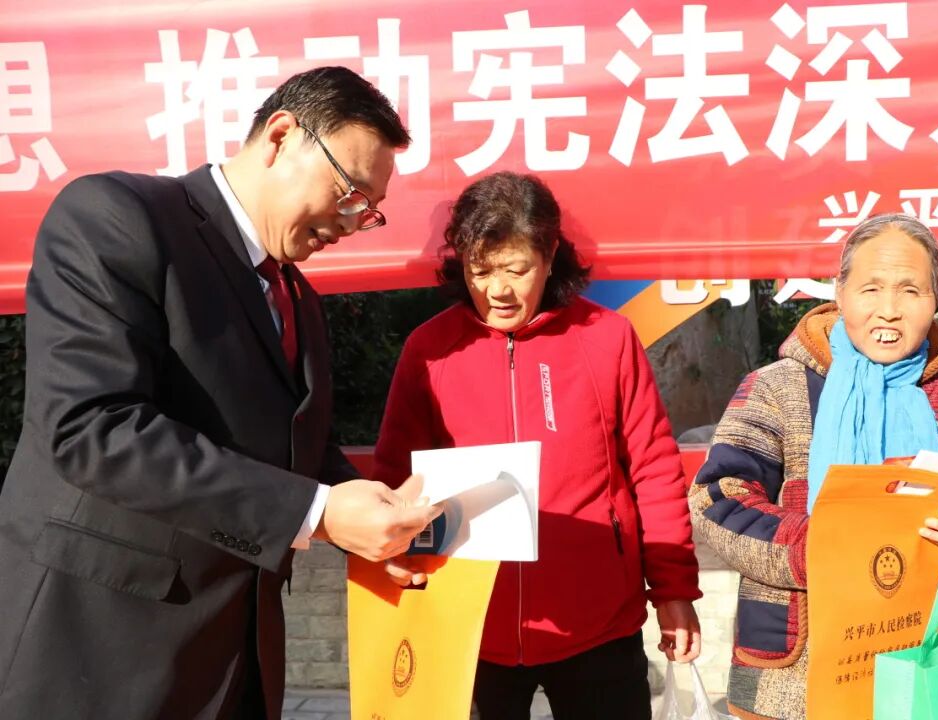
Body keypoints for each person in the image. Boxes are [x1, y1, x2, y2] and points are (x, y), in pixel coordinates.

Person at [0, 66, 441, 720]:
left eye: (368, 210)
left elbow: (299, 452)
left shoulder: (298, 300)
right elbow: (92, 428)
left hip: (233, 661)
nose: (352, 221)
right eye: (349, 191)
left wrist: (369, 516)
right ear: (282, 137)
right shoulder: (118, 217)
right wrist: (319, 512)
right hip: (99, 651)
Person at [689, 213, 938, 719]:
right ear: (840, 292)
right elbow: (719, 497)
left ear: (936, 299)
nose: (889, 310)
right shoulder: (777, 389)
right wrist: (819, 548)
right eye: (870, 289)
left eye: (911, 290)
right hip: (799, 674)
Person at [373, 172, 703, 719]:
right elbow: (394, 476)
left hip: (598, 624)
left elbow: (654, 467)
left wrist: (673, 590)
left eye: (516, 269)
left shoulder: (607, 337)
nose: (498, 290)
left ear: (549, 256)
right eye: (480, 271)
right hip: (469, 625)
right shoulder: (429, 349)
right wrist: (394, 556)